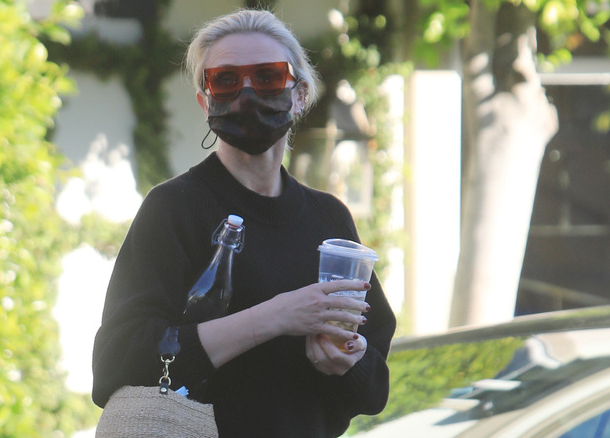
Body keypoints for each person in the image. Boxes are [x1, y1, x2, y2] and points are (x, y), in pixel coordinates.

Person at [92, 9, 396, 437]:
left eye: (268, 77)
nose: (247, 94)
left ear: (300, 93)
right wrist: (275, 317)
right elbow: (118, 360)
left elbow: (374, 390)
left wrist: (350, 359)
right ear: (204, 100)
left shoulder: (329, 219)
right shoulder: (174, 208)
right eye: (226, 80)